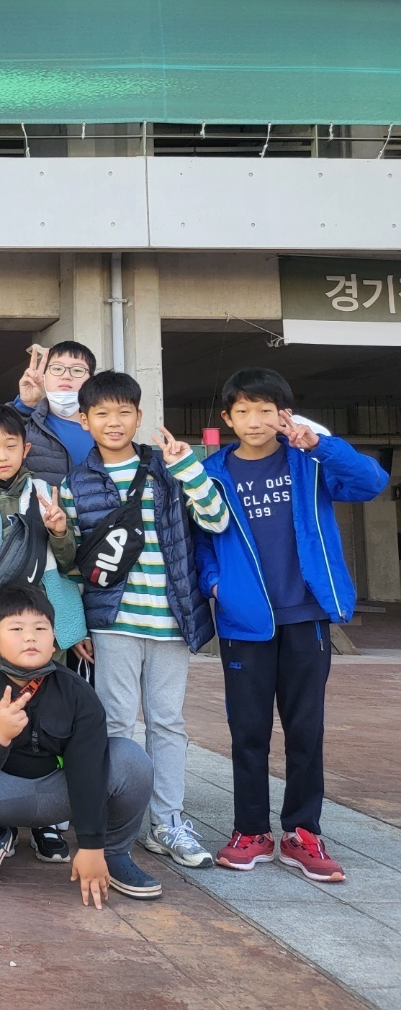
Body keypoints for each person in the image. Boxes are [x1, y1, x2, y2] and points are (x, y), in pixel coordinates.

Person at [197, 368, 389, 880]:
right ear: (228, 418)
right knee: (248, 731)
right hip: (245, 621)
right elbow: (201, 542)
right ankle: (251, 831)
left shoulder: (309, 462)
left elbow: (371, 482)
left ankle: (302, 831)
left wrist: (321, 444)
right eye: (243, 411)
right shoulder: (211, 473)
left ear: (284, 414)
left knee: (305, 730)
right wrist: (217, 586)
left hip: (307, 615)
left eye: (266, 410)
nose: (254, 421)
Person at [58, 371, 229, 869]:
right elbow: (72, 564)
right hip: (111, 623)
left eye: (124, 412)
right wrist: (76, 627)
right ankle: (117, 822)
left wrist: (190, 469)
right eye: (102, 413)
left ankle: (168, 822)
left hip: (171, 620)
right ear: (84, 420)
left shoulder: (169, 469)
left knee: (167, 723)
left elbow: (216, 519)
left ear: (139, 416)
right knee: (114, 723)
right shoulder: (74, 483)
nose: (113, 422)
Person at [0, 586, 160, 903]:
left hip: (59, 794)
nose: (30, 637)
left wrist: (91, 845)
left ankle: (113, 854)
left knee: (130, 759)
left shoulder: (77, 692)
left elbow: (88, 768)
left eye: (40, 629)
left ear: (54, 637)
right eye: (16, 629)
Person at [0, 404, 87, 864]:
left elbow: (69, 564)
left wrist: (60, 531)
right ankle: (3, 815)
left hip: (48, 627)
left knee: (53, 714)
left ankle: (49, 819)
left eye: (11, 446)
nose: (3, 455)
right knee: (1, 713)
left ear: (26, 449)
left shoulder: (48, 491)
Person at [14, 342, 97, 486]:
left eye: (77, 370)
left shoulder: (103, 427)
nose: (66, 376)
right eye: (57, 369)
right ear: (44, 376)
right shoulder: (27, 424)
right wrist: (24, 406)